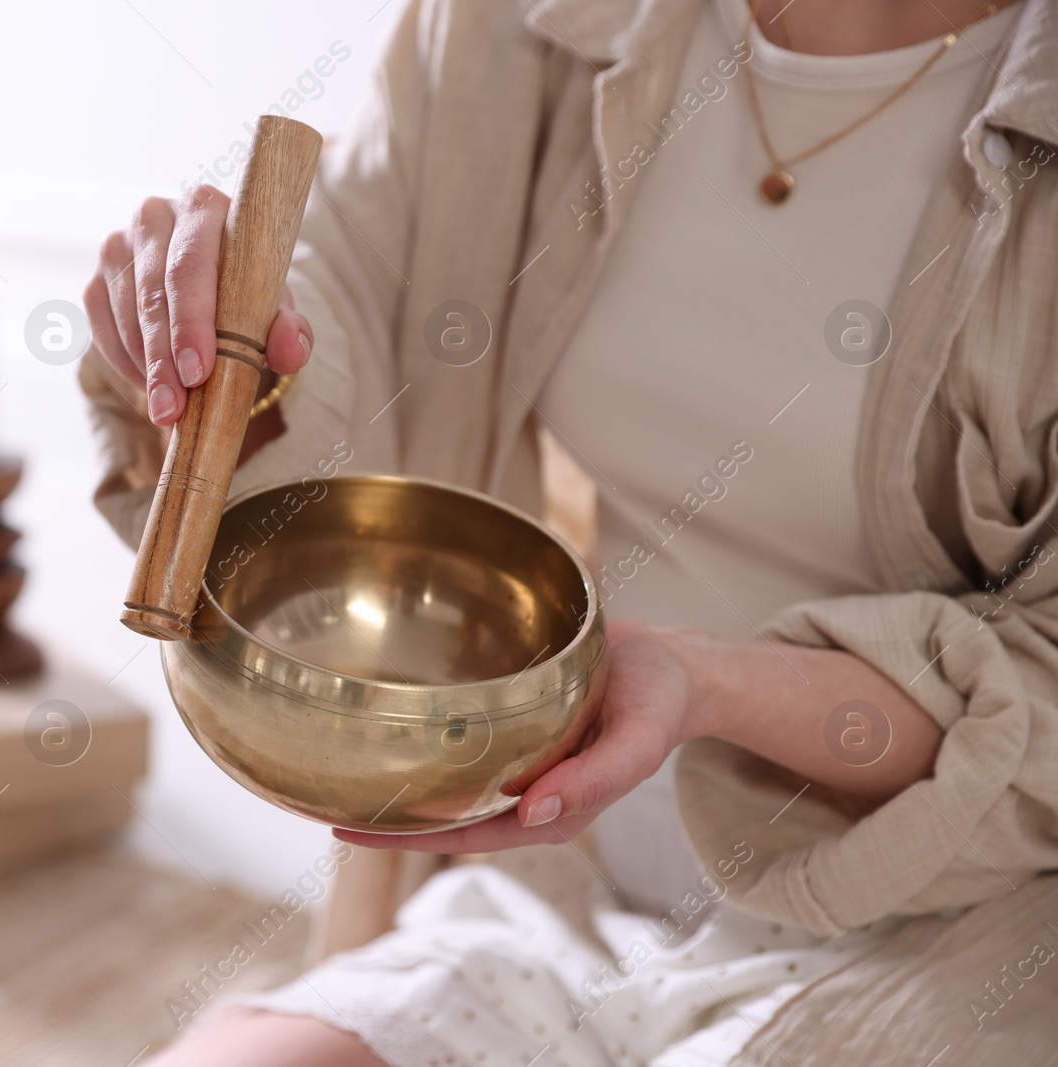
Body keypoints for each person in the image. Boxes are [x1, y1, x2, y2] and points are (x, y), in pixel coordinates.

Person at [79, 0, 1058, 1061]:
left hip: (950, 919)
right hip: (573, 862)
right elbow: (354, 292)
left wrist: (712, 683)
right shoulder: (528, 20)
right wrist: (238, 354)